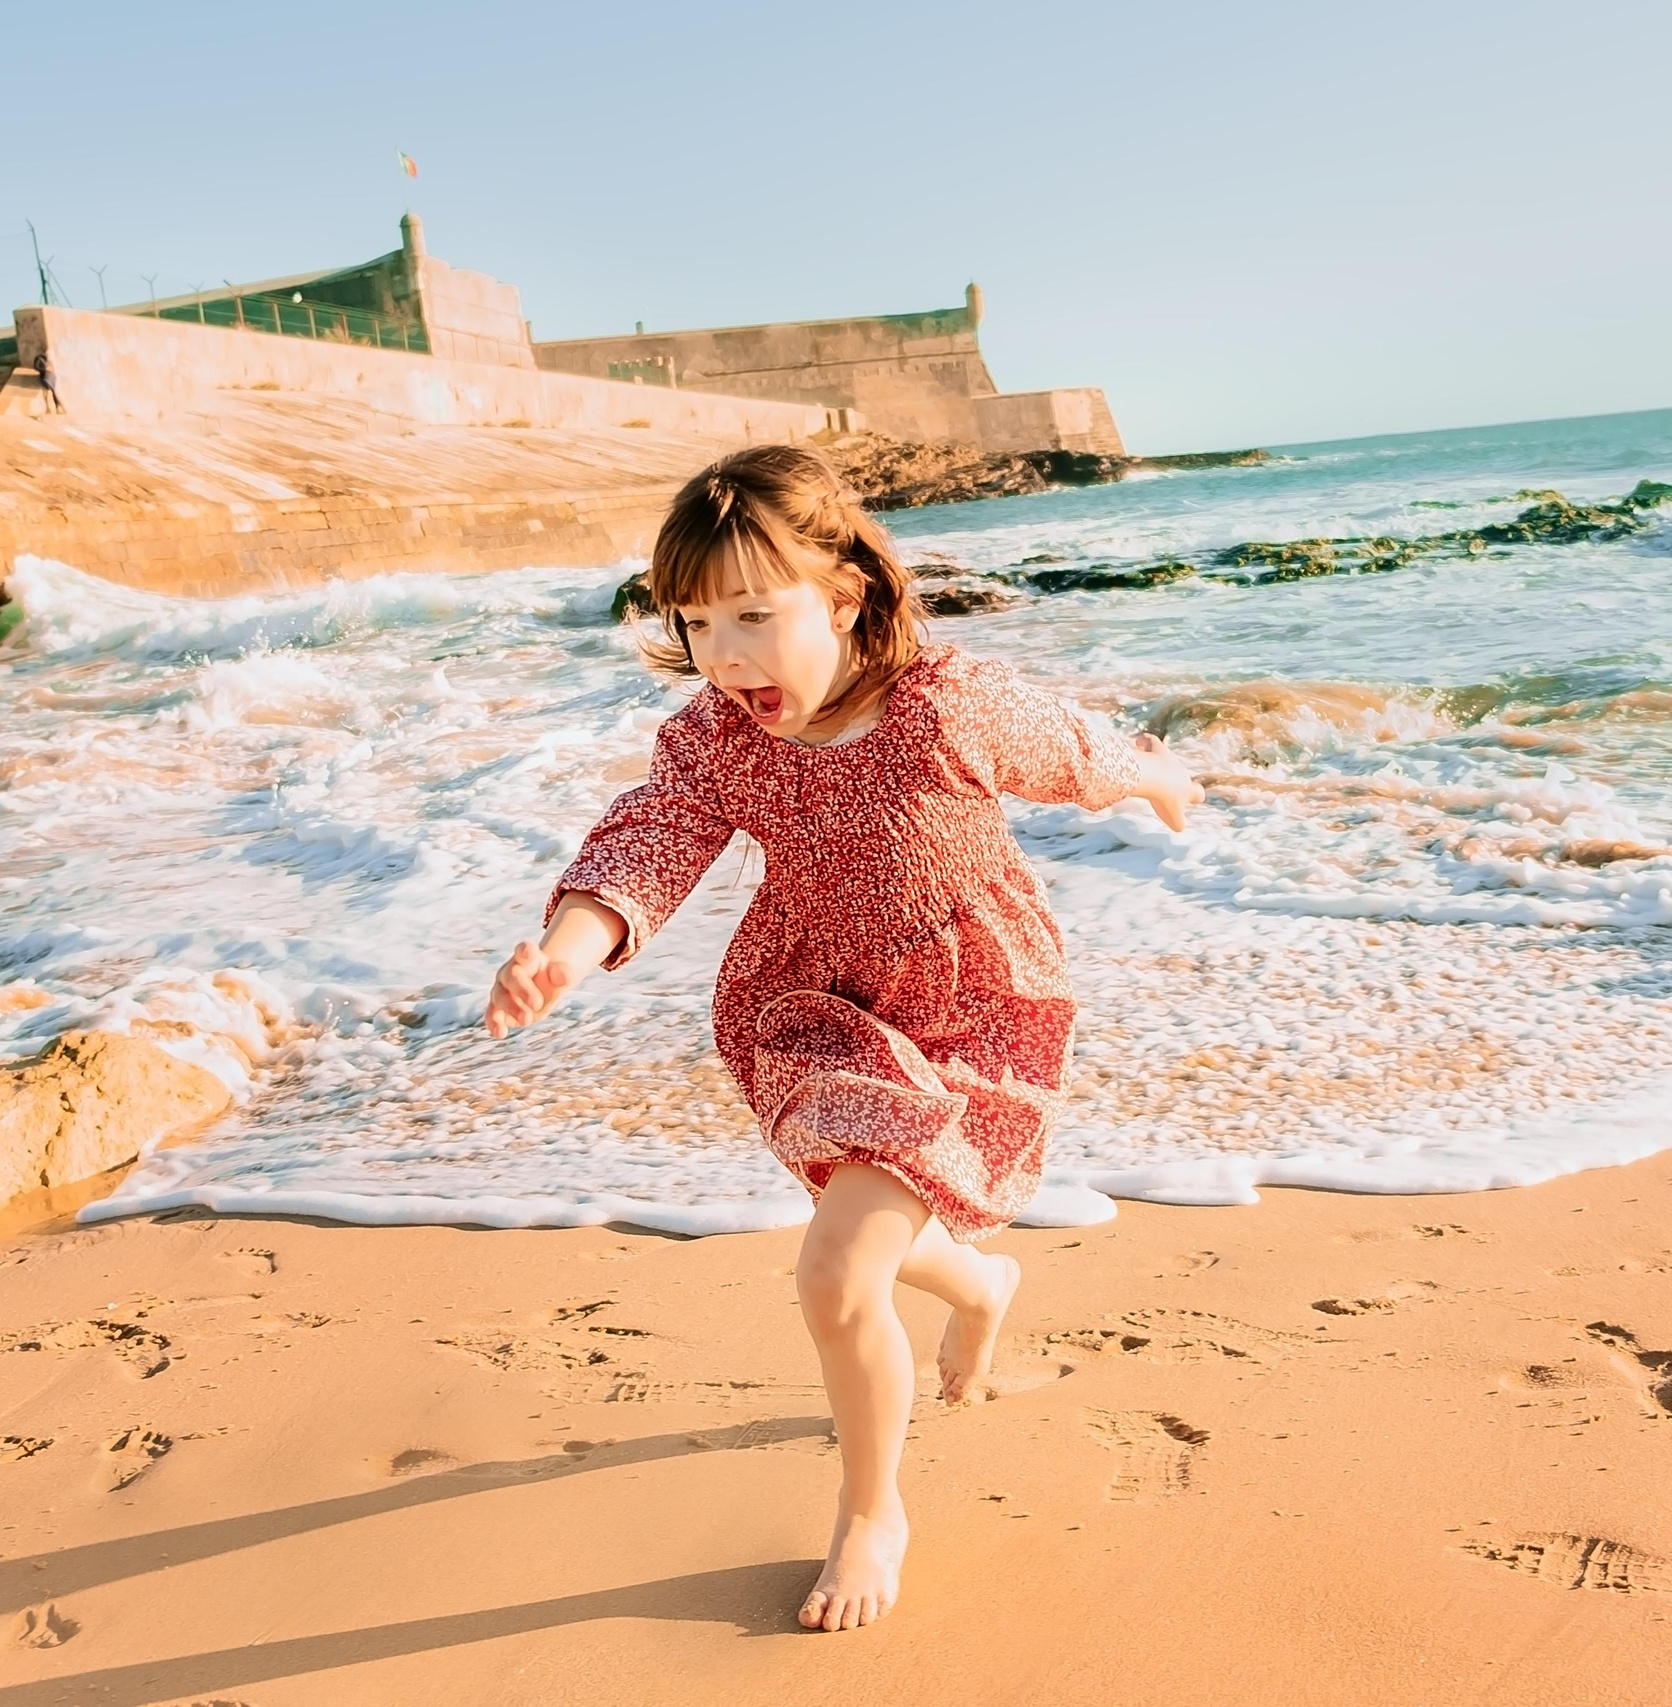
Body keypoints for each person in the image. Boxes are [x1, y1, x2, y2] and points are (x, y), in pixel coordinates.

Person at [483, 445, 1200, 1632]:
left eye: (754, 617)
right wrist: (565, 949)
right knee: (861, 1236)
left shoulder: (944, 706)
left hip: (968, 1009)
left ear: (845, 594)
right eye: (696, 623)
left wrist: (1155, 781)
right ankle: (984, 1285)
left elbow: (1075, 750)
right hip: (817, 1008)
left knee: (838, 1264)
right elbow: (648, 840)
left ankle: (873, 1512)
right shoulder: (719, 740)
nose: (723, 656)